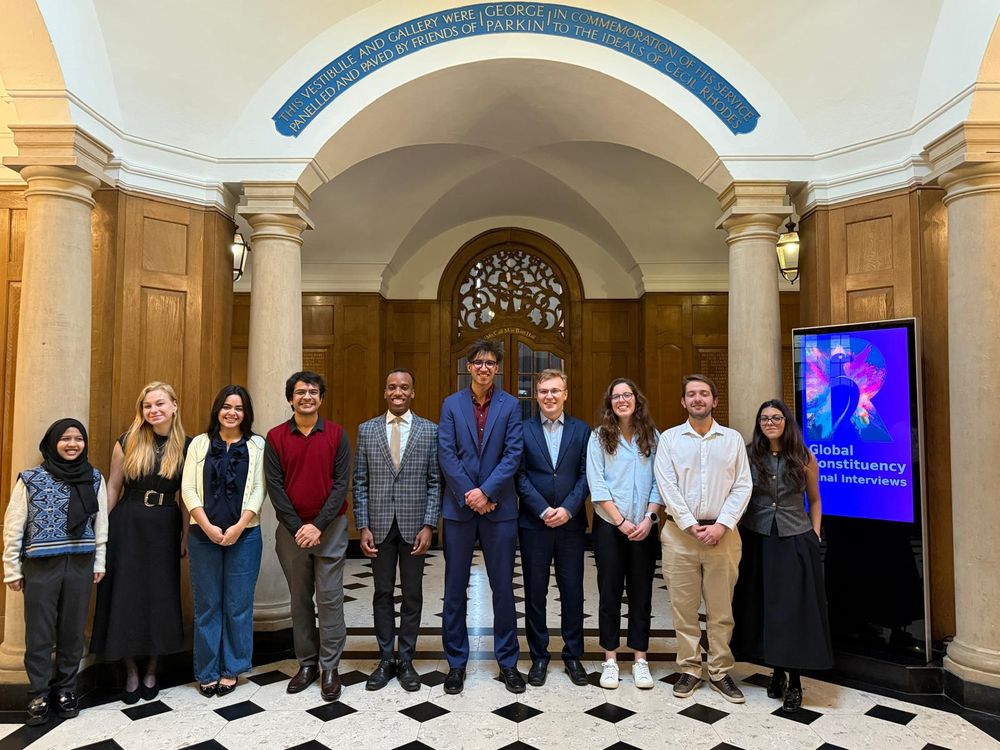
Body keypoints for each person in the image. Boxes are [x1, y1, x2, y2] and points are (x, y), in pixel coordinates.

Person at [654, 374, 752, 703]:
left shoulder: (733, 440)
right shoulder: (669, 440)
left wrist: (721, 525)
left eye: (704, 394)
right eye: (692, 394)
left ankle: (721, 670)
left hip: (723, 536)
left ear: (714, 401)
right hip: (680, 535)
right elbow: (666, 484)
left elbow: (742, 485)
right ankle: (690, 668)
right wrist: (689, 524)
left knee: (721, 609)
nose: (698, 399)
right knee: (684, 608)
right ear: (683, 401)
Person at [3, 419, 108, 725]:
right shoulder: (30, 479)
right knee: (38, 632)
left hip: (80, 562)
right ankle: (37, 693)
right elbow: (14, 526)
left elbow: (101, 525)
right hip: (41, 566)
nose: (73, 444)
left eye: (78, 438)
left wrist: (99, 562)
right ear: (52, 443)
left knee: (72, 631)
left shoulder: (94, 478)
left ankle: (66, 689)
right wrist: (11, 568)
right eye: (65, 438)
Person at [731, 399, 833, 712]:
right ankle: (774, 671)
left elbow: (814, 500)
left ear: (787, 421)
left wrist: (815, 533)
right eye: (765, 418)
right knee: (765, 607)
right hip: (757, 538)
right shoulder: (749, 454)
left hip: (794, 538)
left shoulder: (803, 456)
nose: (771, 422)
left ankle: (795, 680)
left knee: (792, 611)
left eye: (776, 417)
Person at [91, 382, 189, 703]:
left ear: (174, 405)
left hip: (164, 526)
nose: (153, 410)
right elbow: (114, 488)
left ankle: (152, 670)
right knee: (126, 596)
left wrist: (186, 533)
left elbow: (187, 498)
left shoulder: (187, 446)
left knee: (159, 597)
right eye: (147, 405)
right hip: (127, 525)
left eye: (160, 403)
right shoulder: (127, 441)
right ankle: (131, 671)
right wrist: (100, 534)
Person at [438, 339, 524, 694]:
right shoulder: (451, 404)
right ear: (469, 367)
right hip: (459, 511)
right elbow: (446, 453)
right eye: (479, 362)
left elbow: (513, 453)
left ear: (497, 368)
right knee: (454, 590)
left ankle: (508, 663)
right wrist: (470, 495)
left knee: (503, 589)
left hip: (499, 510)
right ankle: (456, 664)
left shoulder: (512, 405)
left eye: (491, 363)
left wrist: (486, 492)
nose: (485, 368)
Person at [353, 368, 441, 692]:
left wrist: (430, 524)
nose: (398, 392)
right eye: (392, 387)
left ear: (412, 392)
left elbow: (435, 482)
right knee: (382, 594)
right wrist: (362, 525)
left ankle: (406, 660)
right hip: (378, 527)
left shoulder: (429, 431)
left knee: (412, 595)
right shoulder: (367, 430)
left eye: (404, 387)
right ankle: (385, 659)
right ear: (385, 392)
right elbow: (359, 482)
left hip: (415, 526)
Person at [265, 371, 351, 702]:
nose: (307, 397)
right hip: (291, 532)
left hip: (330, 530)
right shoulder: (275, 438)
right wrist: (298, 525)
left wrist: (318, 525)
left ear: (321, 398)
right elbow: (275, 486)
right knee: (299, 602)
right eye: (300, 392)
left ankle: (330, 667)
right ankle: (307, 664)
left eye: (313, 392)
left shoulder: (336, 435)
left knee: (329, 600)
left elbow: (341, 483)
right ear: (290, 399)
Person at [181, 385, 266, 697]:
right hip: (203, 536)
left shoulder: (257, 445)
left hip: (245, 536)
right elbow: (187, 488)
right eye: (227, 406)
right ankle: (207, 670)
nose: (232, 413)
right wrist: (206, 526)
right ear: (217, 410)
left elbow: (259, 489)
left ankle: (232, 668)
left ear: (247, 414)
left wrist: (238, 527)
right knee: (208, 604)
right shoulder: (199, 444)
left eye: (239, 408)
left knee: (238, 604)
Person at [586, 378, 663, 690]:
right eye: (616, 396)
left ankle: (640, 659)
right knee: (610, 593)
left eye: (626, 395)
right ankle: (610, 659)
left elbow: (661, 482)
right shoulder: (599, 437)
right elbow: (597, 484)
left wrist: (648, 518)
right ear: (610, 402)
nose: (621, 400)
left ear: (636, 399)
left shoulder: (652, 437)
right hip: (609, 527)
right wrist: (620, 521)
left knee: (642, 594)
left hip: (645, 527)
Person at [515, 368, 591, 687]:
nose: (549, 396)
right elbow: (518, 475)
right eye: (543, 391)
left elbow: (587, 474)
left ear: (565, 394)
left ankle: (573, 657)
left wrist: (569, 509)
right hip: (535, 524)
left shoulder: (582, 430)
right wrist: (544, 509)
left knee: (573, 592)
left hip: (571, 527)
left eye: (555, 391)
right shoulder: (522, 430)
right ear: (537, 396)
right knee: (535, 593)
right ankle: (539, 657)